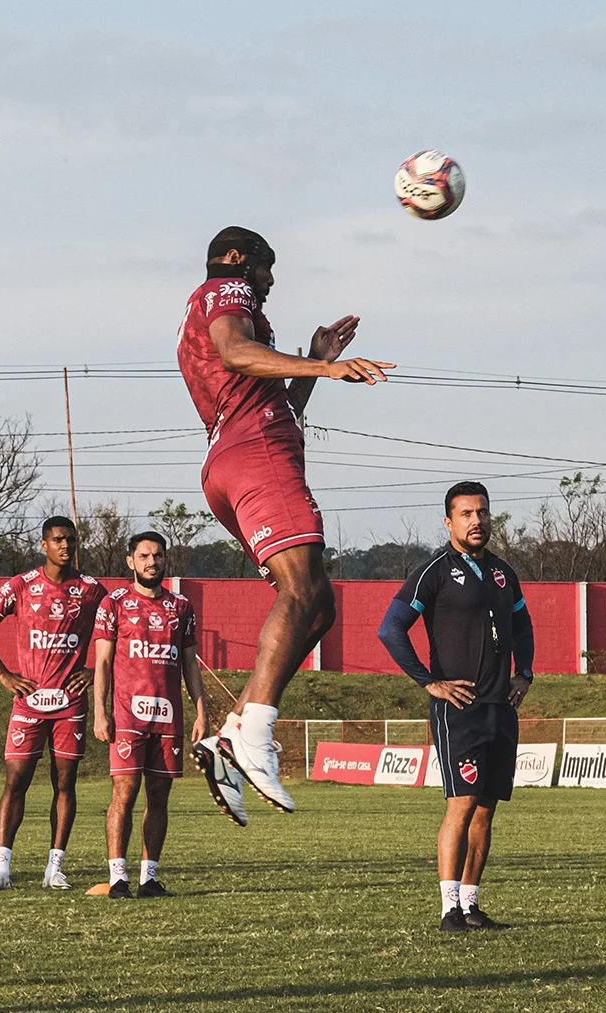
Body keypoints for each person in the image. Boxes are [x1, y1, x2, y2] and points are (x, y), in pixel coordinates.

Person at [176, 225, 393, 813]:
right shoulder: (226, 292)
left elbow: (275, 398)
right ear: (239, 260)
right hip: (257, 455)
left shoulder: (222, 310)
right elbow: (234, 350)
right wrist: (324, 369)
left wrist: (316, 363)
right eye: (268, 269)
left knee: (319, 605)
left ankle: (233, 731)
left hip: (239, 455)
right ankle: (257, 736)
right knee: (302, 590)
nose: (270, 283)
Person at [377, 482, 532, 933]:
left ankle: (471, 904)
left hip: (500, 707)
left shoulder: (504, 573)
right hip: (458, 708)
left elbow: (522, 625)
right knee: (461, 805)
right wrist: (431, 683)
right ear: (449, 522)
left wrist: (525, 673)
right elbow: (391, 629)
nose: (476, 521)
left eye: (482, 512)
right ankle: (448, 910)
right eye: (466, 514)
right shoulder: (434, 571)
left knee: (486, 809)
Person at [0, 516, 107, 890]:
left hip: (70, 703)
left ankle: (54, 868)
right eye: (58, 540)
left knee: (65, 784)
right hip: (29, 703)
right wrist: (3, 673)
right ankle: (1, 868)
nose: (66, 546)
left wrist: (94, 671)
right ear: (43, 545)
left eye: (71, 540)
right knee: (15, 783)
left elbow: (123, 628)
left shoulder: (92, 590)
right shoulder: (21, 586)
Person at [91, 532, 208, 898]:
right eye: (144, 556)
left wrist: (201, 712)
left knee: (159, 796)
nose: (151, 562)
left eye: (157, 555)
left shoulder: (181, 607)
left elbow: (190, 664)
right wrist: (100, 713)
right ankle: (117, 878)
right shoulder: (114, 603)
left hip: (168, 717)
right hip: (127, 716)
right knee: (124, 794)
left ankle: (149, 878)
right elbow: (103, 662)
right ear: (131, 561)